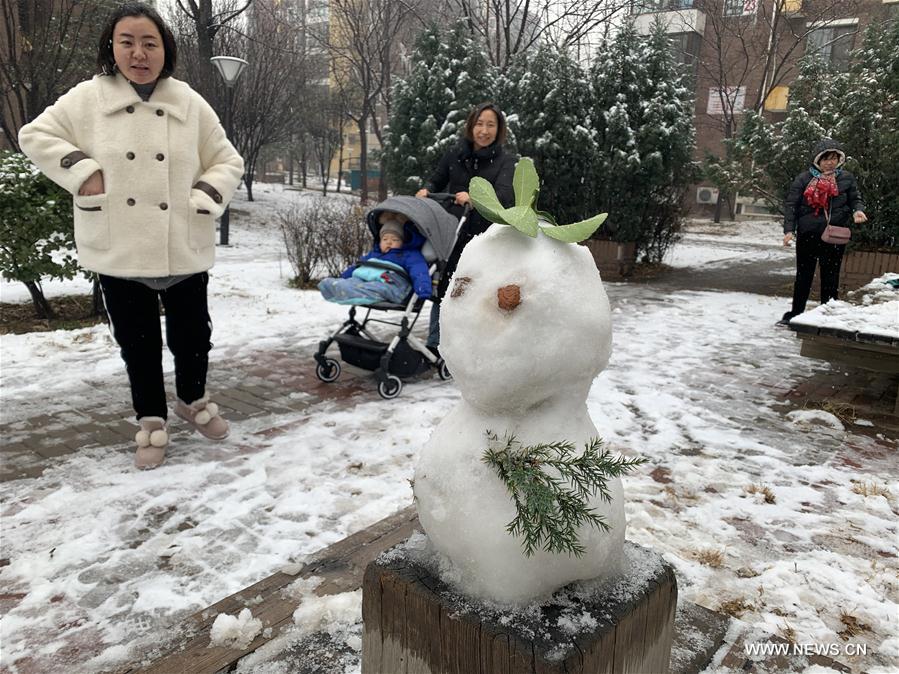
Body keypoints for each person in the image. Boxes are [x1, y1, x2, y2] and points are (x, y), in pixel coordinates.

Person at [18, 2, 245, 469]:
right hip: (120, 245)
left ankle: (193, 402)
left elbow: (227, 160)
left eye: (150, 43)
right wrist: (83, 173)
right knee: (137, 343)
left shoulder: (189, 101)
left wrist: (205, 194)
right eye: (128, 42)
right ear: (112, 47)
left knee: (194, 337)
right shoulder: (88, 99)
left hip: (182, 242)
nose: (139, 53)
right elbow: (35, 135)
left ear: (165, 49)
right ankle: (151, 423)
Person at [415, 102, 518, 354]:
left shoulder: (506, 161)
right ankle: (436, 342)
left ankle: (475, 345)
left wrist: (476, 198)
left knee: (476, 291)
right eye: (479, 124)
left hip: (485, 237)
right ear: (471, 126)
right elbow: (437, 179)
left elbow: (505, 196)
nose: (484, 130)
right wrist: (426, 190)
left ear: (499, 129)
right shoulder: (455, 155)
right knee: (446, 286)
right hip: (452, 231)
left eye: (490, 125)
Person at [777, 139, 867, 327]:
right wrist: (788, 230)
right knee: (803, 276)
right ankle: (796, 313)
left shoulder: (846, 178)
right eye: (826, 159)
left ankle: (828, 314)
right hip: (808, 234)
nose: (830, 163)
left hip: (834, 234)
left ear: (839, 160)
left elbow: (855, 199)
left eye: (834, 158)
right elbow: (792, 205)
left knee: (831, 276)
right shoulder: (804, 179)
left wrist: (858, 210)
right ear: (817, 160)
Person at [319, 212, 432, 305]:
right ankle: (344, 287)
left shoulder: (409, 254)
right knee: (352, 281)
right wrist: (343, 278)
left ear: (403, 242)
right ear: (380, 241)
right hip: (367, 281)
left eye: (395, 239)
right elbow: (357, 266)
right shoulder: (374, 254)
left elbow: (419, 271)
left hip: (393, 285)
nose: (389, 242)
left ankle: (352, 291)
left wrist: (423, 289)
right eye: (385, 239)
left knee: (377, 288)